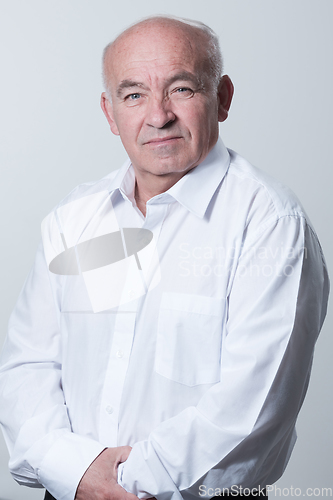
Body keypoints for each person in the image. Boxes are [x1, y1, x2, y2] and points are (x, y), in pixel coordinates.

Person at [0, 15, 329, 500]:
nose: (158, 116)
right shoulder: (73, 218)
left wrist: (120, 484)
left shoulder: (270, 224)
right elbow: (27, 366)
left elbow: (253, 409)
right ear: (110, 114)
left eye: (181, 89)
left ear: (222, 98)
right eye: (133, 95)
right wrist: (74, 471)